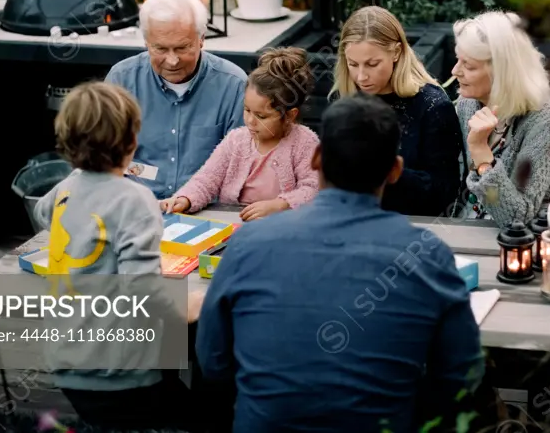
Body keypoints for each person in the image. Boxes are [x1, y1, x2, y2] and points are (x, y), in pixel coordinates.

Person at [195, 94, 485, 433]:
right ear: (395, 170)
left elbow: (212, 362)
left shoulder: (247, 244)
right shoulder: (427, 254)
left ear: (316, 159)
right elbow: (460, 374)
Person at [30, 81, 203, 431]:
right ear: (130, 142)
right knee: (203, 417)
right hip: (118, 372)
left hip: (68, 358)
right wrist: (189, 308)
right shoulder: (133, 200)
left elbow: (42, 213)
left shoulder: (66, 188)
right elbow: (143, 292)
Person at [105, 0, 248, 200]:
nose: (172, 61)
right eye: (160, 49)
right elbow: (102, 158)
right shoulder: (121, 80)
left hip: (209, 209)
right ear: (146, 42)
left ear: (202, 38)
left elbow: (240, 170)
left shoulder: (234, 85)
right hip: (135, 206)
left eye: (182, 48)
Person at [329, 5, 463, 216]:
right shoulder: (345, 98)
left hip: (412, 227)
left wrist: (386, 170)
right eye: (353, 64)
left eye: (372, 64)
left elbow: (444, 193)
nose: (361, 76)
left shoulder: (432, 106)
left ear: (396, 52)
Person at [161, 47, 320, 221]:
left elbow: (313, 188)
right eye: (247, 110)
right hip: (234, 224)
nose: (251, 121)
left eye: (261, 116)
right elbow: (207, 179)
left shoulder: (305, 143)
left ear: (290, 115)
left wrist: (280, 205)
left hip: (285, 226)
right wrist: (186, 199)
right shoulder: (236, 140)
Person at [452, 10, 550, 226]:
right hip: (473, 230)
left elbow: (517, 219)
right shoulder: (468, 104)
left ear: (502, 72)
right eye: (458, 60)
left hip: (540, 243)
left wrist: (482, 156)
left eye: (469, 65)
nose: (455, 71)